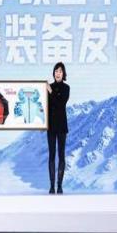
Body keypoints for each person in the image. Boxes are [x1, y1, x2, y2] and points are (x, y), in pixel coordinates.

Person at [46, 62, 70, 194]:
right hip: (50, 125)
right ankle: (51, 186)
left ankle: (59, 185)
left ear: (63, 73)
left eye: (60, 71)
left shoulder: (66, 88)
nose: (58, 73)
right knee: (51, 155)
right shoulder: (48, 87)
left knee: (61, 155)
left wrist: (50, 91)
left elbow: (60, 103)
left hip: (61, 125)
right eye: (56, 71)